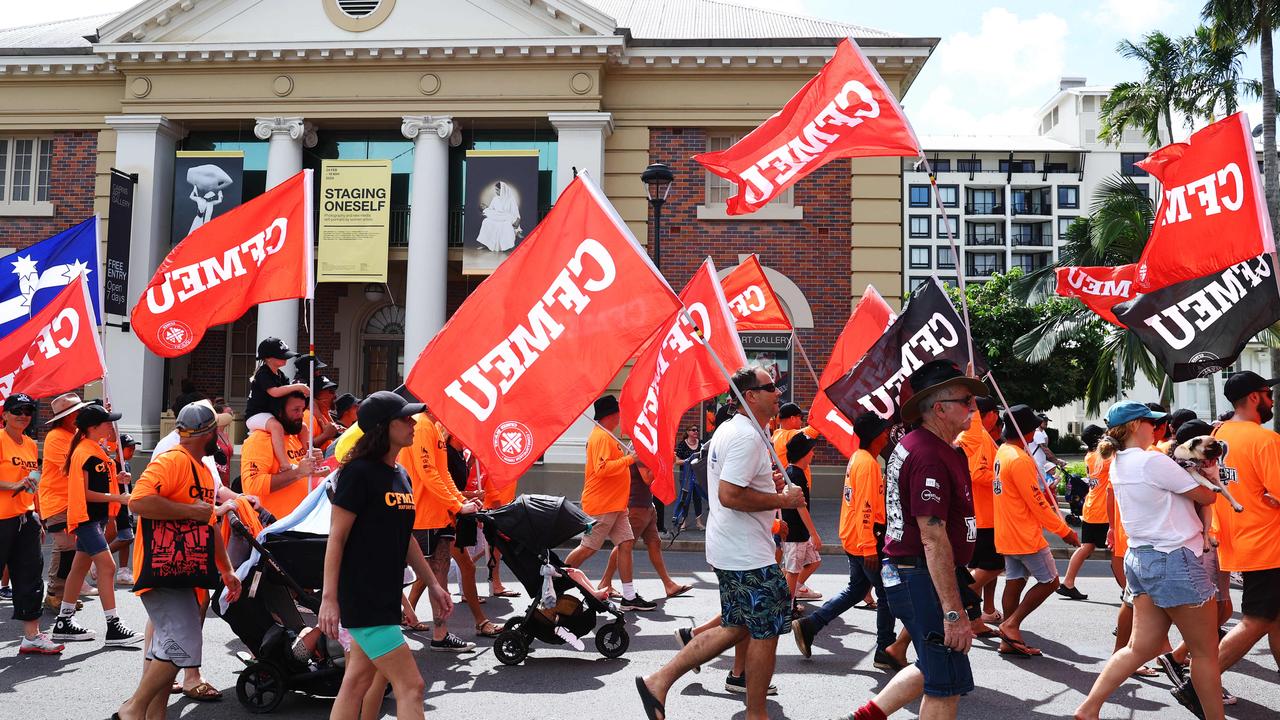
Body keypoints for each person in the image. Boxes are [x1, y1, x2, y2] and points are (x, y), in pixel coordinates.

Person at [636, 366, 805, 720]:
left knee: (738, 627)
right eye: (770, 387)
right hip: (746, 553)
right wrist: (783, 501)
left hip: (735, 547)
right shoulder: (745, 435)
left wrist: (767, 486)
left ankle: (659, 681)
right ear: (750, 396)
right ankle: (756, 713)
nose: (778, 392)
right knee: (765, 629)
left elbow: (735, 485)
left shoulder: (734, 429)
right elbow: (729, 494)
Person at [840, 360, 984, 720]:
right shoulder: (929, 455)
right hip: (920, 575)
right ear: (939, 408)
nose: (973, 407)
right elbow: (932, 537)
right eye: (966, 400)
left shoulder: (927, 443)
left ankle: (869, 714)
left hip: (915, 575)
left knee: (933, 664)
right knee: (946, 682)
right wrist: (953, 612)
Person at [1072, 401, 1223, 720]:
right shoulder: (1151, 462)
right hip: (1176, 559)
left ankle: (1089, 708)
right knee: (1205, 654)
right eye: (1149, 422)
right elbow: (1208, 495)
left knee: (1138, 648)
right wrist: (1210, 466)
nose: (1156, 427)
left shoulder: (1118, 462)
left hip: (1142, 559)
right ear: (1133, 427)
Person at [320, 391, 452, 720]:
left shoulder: (400, 475)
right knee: (412, 686)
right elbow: (336, 538)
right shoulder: (358, 473)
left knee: (356, 681)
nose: (413, 424)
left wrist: (433, 584)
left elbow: (404, 537)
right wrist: (328, 598)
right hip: (364, 597)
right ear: (383, 427)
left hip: (385, 596)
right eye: (405, 419)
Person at [115, 403, 242, 720]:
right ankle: (133, 709)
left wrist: (226, 570)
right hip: (160, 568)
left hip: (183, 569)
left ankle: (154, 715)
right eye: (219, 429)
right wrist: (189, 510)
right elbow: (139, 501)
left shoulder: (201, 468)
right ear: (207, 433)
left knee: (169, 647)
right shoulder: (173, 460)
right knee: (183, 644)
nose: (222, 435)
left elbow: (208, 522)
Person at [793, 411, 908, 670]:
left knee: (857, 589)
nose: (887, 433)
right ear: (876, 436)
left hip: (854, 537)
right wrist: (869, 546)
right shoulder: (867, 463)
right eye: (884, 430)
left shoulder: (860, 457)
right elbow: (866, 508)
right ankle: (885, 650)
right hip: (866, 539)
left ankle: (811, 624)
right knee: (887, 594)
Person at [991, 404, 1080, 658]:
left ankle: (1008, 639)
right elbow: (1038, 503)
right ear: (1028, 430)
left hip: (1008, 531)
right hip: (1024, 534)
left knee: (1015, 581)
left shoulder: (1004, 452)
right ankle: (1011, 625)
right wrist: (1064, 531)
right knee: (1050, 581)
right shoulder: (1019, 459)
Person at [51, 403, 140, 646]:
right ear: (93, 428)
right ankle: (113, 625)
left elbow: (99, 483)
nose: (112, 425)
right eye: (107, 422)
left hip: (94, 519)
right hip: (87, 519)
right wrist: (117, 498)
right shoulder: (85, 451)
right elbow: (86, 492)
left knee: (78, 569)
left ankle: (64, 621)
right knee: (108, 568)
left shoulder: (93, 448)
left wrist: (118, 479)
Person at [1213, 372, 1280, 686]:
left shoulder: (1217, 436)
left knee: (1275, 618)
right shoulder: (1265, 440)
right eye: (1268, 393)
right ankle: (1199, 683)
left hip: (1237, 539)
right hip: (1267, 544)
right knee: (1255, 621)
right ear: (1254, 397)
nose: (1271, 399)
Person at [565, 395, 656, 612]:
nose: (621, 416)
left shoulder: (606, 436)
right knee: (587, 548)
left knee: (625, 544)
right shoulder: (600, 437)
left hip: (615, 505)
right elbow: (602, 469)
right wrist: (629, 459)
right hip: (602, 505)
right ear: (612, 415)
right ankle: (555, 579)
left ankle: (629, 596)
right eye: (619, 412)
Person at [400, 408, 480, 651]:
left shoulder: (434, 427)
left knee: (440, 571)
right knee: (403, 573)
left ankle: (440, 633)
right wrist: (457, 504)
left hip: (437, 514)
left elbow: (443, 472)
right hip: (421, 515)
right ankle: (386, 628)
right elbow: (428, 473)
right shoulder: (423, 425)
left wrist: (458, 503)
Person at [0, 393, 62, 655]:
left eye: (27, 411)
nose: (23, 415)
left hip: (25, 518)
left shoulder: (28, 443)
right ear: (4, 414)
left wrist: (39, 516)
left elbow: (31, 484)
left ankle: (32, 636)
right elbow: (16, 482)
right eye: (17, 410)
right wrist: (12, 485)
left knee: (30, 577)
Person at [597, 461, 693, 599]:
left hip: (647, 505)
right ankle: (605, 582)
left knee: (654, 543)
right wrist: (663, 462)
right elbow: (647, 478)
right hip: (636, 507)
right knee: (624, 545)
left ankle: (669, 584)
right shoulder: (639, 448)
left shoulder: (646, 448)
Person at [443, 431, 501, 639]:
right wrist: (463, 502)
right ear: (451, 435)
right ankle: (479, 622)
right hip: (442, 518)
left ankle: (410, 615)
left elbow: (452, 485)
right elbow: (442, 485)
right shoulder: (446, 452)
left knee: (438, 571)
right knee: (448, 568)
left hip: (451, 516)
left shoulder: (459, 454)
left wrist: (465, 500)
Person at [39, 392, 90, 612]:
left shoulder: (77, 434)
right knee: (66, 547)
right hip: (57, 501)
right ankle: (54, 593)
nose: (78, 415)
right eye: (74, 412)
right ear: (63, 417)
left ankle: (60, 593)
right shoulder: (56, 436)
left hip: (72, 501)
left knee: (69, 548)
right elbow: (75, 465)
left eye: (79, 411)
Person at [957, 396, 1003, 632]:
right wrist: (1003, 478)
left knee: (983, 568)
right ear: (991, 414)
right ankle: (959, 598)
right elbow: (978, 473)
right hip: (984, 516)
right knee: (993, 566)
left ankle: (976, 619)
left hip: (980, 514)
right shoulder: (977, 438)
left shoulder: (977, 437)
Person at [241, 392, 321, 520]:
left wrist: (315, 464)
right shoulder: (259, 439)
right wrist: (298, 472)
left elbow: (304, 474)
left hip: (299, 524)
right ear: (279, 412)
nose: (301, 415)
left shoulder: (295, 437)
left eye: (302, 409)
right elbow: (253, 485)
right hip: (273, 528)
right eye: (295, 410)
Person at [245, 337, 312, 470]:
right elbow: (274, 392)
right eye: (281, 356)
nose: (286, 358)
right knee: (277, 427)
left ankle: (309, 457)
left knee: (303, 427)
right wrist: (297, 386)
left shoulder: (280, 375)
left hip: (272, 414)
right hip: (255, 415)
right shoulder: (263, 373)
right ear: (268, 358)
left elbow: (288, 396)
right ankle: (284, 464)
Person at [1060, 424, 1108, 600]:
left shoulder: (1090, 456)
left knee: (1086, 546)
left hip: (1092, 508)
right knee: (1118, 550)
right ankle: (1128, 590)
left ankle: (1068, 581)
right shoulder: (1103, 457)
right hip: (1103, 510)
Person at [779, 432, 822, 605]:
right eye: (811, 450)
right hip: (795, 533)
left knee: (814, 561)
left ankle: (794, 590)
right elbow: (801, 507)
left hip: (800, 533)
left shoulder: (796, 472)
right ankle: (787, 606)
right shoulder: (794, 474)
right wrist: (814, 533)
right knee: (793, 571)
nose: (813, 454)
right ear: (803, 453)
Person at [111, 433, 141, 587]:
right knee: (127, 537)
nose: (133, 451)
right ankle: (98, 558)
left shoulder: (127, 465)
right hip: (117, 506)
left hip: (126, 506)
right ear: (119, 450)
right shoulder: (111, 465)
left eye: (134, 448)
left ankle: (123, 571)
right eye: (130, 449)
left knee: (126, 538)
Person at [673, 426, 704, 531]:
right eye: (693, 430)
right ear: (688, 432)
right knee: (685, 498)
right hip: (685, 475)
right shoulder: (682, 444)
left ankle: (699, 523)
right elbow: (677, 461)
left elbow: (704, 458)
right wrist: (688, 460)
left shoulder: (700, 444)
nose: (696, 432)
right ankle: (683, 522)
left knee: (697, 498)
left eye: (697, 430)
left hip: (698, 474)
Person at [305, 376, 342, 452]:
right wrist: (325, 436)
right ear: (317, 395)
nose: (335, 396)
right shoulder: (308, 416)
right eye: (331, 392)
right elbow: (304, 447)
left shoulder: (324, 413)